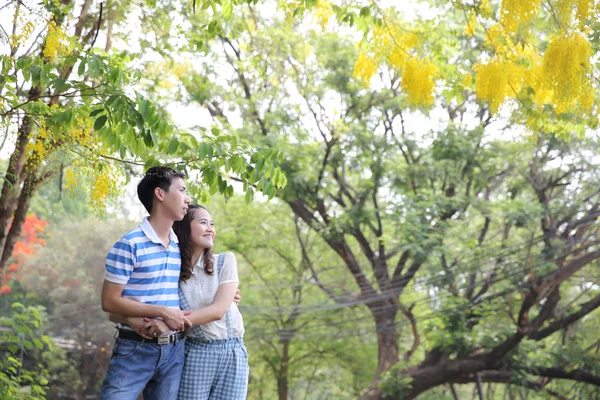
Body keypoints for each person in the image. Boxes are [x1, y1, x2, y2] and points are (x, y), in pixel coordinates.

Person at [99, 166, 192, 400]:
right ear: (160, 194)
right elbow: (109, 302)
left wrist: (230, 293)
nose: (187, 198)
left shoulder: (178, 245)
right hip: (134, 349)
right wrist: (161, 311)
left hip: (174, 351)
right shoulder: (129, 244)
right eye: (182, 190)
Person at [172, 204, 249, 399]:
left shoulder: (225, 261)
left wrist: (175, 319)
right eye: (203, 222)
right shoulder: (172, 273)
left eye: (212, 224)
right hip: (196, 351)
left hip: (234, 352)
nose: (210, 228)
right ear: (183, 228)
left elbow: (219, 310)